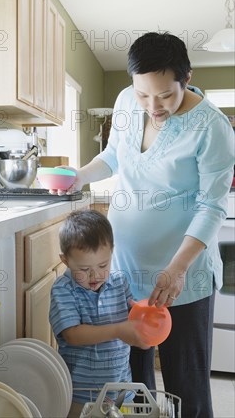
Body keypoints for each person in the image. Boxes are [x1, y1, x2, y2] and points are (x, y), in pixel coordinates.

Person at [56, 32, 234, 418]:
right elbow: (114, 156)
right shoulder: (125, 101)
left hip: (180, 278)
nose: (152, 106)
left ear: (186, 79)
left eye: (165, 96)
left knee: (186, 384)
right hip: (125, 271)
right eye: (142, 94)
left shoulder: (212, 127)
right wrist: (78, 176)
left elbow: (212, 207)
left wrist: (177, 270)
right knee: (130, 383)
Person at [49, 209, 149, 418]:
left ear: (112, 251)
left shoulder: (120, 282)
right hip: (80, 395)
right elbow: (73, 335)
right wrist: (119, 330)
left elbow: (133, 321)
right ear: (65, 260)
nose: (95, 275)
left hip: (122, 390)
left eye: (103, 265)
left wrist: (146, 322)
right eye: (84, 269)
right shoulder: (63, 289)